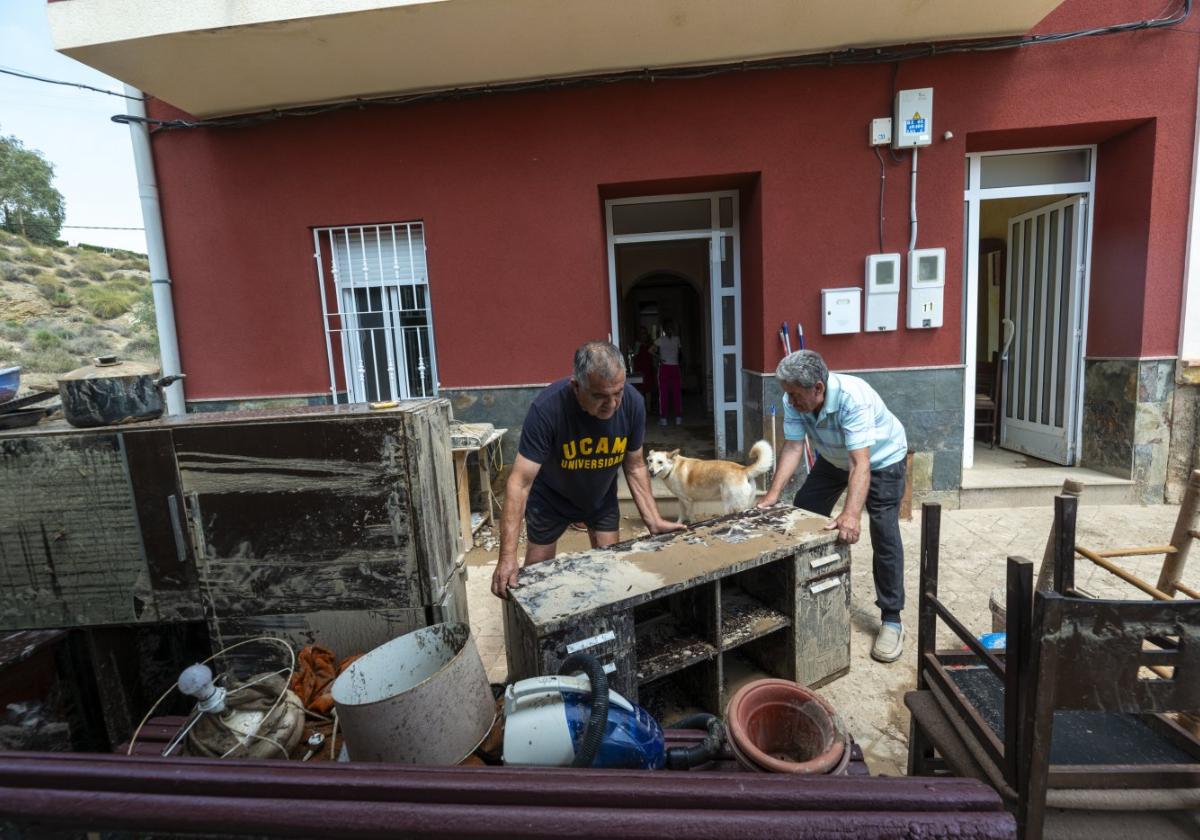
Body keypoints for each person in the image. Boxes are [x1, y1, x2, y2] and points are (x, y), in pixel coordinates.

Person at [491, 340, 686, 599]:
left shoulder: (633, 404)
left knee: (610, 574)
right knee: (536, 578)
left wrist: (654, 520)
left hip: (600, 495)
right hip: (551, 498)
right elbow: (520, 482)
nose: (612, 404)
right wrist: (507, 558)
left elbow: (635, 464)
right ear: (576, 387)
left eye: (617, 392)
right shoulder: (547, 409)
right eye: (599, 396)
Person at [757, 349, 909, 663]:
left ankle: (892, 619)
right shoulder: (795, 398)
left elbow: (860, 464)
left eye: (796, 395)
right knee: (803, 508)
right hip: (835, 457)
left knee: (883, 531)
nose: (791, 402)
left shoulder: (854, 399)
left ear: (819, 388)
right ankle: (811, 585)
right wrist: (772, 495)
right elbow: (794, 447)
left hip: (880, 458)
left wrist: (851, 514)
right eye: (788, 395)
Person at [653, 318, 683, 426]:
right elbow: (679, 353)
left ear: (664, 329)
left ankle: (664, 419)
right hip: (674, 367)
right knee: (676, 393)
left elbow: (650, 350)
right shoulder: (677, 339)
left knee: (664, 393)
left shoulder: (661, 339)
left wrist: (659, 357)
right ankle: (678, 418)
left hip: (665, 367)